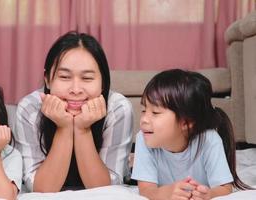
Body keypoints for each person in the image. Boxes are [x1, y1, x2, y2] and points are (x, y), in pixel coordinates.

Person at [14, 31, 133, 192]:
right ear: (47, 79)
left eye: (87, 78)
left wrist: (82, 130)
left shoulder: (117, 109)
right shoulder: (30, 109)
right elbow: (40, 189)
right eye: (64, 77)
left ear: (103, 82)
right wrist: (64, 128)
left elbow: (106, 190)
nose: (76, 90)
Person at [131, 69, 253, 200]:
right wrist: (166, 193)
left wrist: (209, 194)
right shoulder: (143, 138)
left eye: (155, 112)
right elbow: (146, 189)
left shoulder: (209, 140)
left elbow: (225, 187)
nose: (143, 119)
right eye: (144, 110)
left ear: (186, 122)